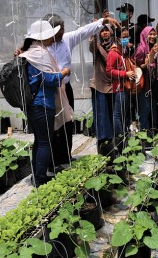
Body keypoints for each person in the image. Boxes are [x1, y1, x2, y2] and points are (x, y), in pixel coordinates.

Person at [43, 12, 119, 170]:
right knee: (52, 125)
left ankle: (65, 157)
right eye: (60, 29)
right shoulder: (42, 43)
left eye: (63, 28)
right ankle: (52, 161)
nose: (63, 31)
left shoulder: (67, 39)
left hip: (66, 87)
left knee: (68, 122)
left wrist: (102, 21)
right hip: (49, 90)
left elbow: (84, 31)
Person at [20, 20, 70, 187]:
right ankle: (40, 179)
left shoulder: (31, 53)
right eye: (50, 36)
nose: (53, 38)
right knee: (45, 142)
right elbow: (49, 80)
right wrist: (63, 73)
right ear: (43, 38)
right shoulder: (38, 55)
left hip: (34, 105)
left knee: (40, 140)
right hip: (42, 104)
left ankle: (37, 175)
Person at [89, 24, 115, 156]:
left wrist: (99, 46)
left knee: (111, 114)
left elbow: (109, 60)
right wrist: (94, 29)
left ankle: (111, 142)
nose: (104, 33)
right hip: (98, 84)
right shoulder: (96, 45)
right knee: (100, 114)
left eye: (107, 30)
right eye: (102, 31)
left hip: (112, 84)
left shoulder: (115, 46)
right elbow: (92, 47)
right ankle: (102, 142)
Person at [106, 28, 134, 153]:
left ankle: (125, 135)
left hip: (126, 86)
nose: (126, 39)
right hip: (120, 87)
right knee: (117, 114)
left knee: (124, 113)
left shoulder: (123, 51)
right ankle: (119, 138)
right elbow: (109, 71)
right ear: (117, 38)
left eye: (128, 37)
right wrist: (125, 74)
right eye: (124, 37)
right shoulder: (113, 53)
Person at [134, 26, 157, 131]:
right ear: (144, 35)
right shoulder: (141, 49)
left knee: (151, 108)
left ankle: (150, 130)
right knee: (145, 108)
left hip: (151, 83)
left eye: (154, 34)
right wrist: (146, 64)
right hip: (143, 85)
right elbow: (136, 67)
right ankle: (144, 132)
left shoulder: (153, 47)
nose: (152, 36)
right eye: (150, 34)